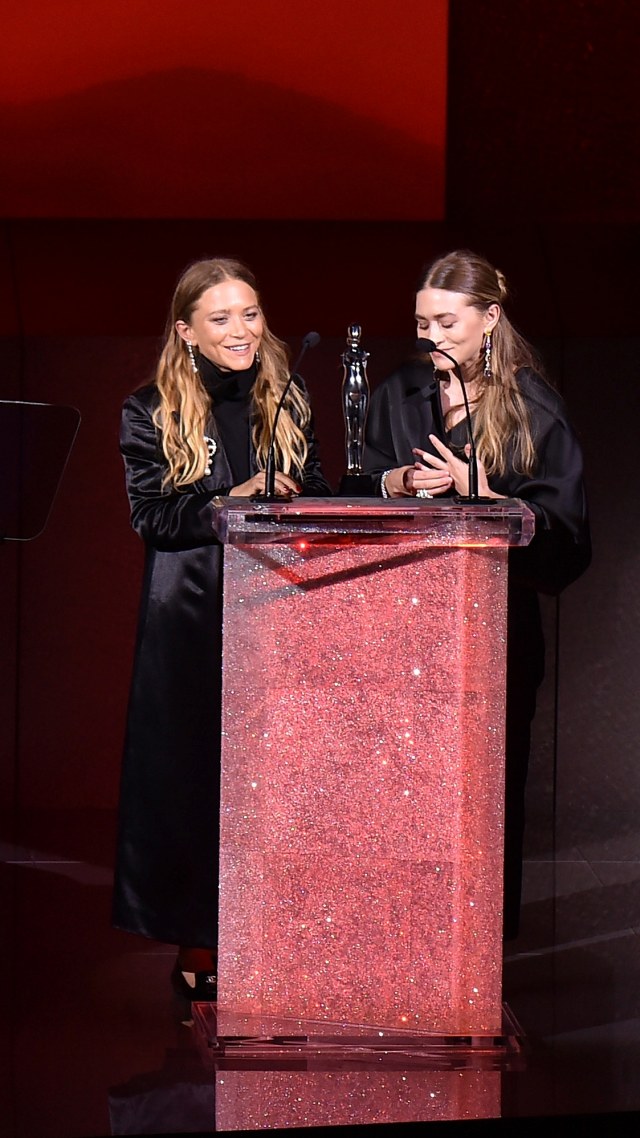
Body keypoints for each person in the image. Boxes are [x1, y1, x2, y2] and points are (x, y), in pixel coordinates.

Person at [112, 257, 332, 999]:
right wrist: (228, 501)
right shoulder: (149, 409)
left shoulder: (287, 392)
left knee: (281, 782)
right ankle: (200, 944)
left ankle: (281, 936)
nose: (242, 331)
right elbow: (154, 519)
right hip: (194, 619)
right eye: (221, 318)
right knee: (196, 780)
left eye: (250, 313)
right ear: (187, 332)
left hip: (280, 611)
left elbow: (322, 487)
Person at [362, 248, 591, 940]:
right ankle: (398, 943)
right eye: (422, 323)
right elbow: (350, 486)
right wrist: (396, 483)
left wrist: (487, 497)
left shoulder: (533, 409)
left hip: (489, 636)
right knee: (397, 799)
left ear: (489, 318)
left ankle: (474, 956)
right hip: (395, 631)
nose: (430, 337)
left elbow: (568, 543)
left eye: (447, 323)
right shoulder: (397, 394)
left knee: (480, 803)